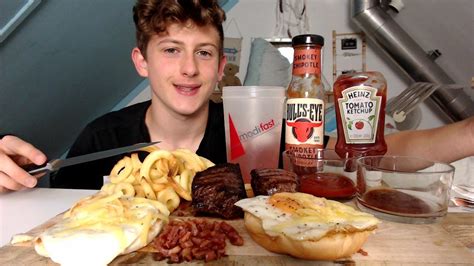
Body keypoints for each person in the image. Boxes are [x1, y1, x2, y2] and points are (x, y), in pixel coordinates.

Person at [1, 0, 474, 192]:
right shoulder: (100, 138)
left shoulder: (254, 131)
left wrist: (469, 132)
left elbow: (373, 151)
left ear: (220, 66)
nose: (189, 68)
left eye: (203, 53)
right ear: (141, 62)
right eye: (170, 51)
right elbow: (49, 218)